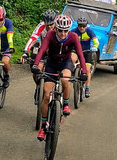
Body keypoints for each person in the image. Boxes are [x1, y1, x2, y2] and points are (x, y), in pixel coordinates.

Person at [31, 13, 85, 141]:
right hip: (51, 63)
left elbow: (80, 55)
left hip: (65, 63)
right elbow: (42, 50)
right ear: (55, 28)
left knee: (65, 80)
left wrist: (84, 72)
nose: (63, 33)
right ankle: (43, 127)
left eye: (66, 30)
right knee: (46, 95)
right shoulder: (50, 35)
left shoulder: (73, 36)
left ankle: (66, 103)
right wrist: (35, 64)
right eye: (60, 30)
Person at [74, 15, 99, 98]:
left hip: (86, 52)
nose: (82, 28)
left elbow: (96, 42)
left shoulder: (89, 31)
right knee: (73, 60)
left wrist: (94, 47)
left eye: (83, 26)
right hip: (76, 52)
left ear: (86, 26)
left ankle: (87, 88)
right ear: (77, 26)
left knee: (87, 69)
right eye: (80, 26)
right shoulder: (74, 31)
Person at [0, 5, 14, 88]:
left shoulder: (8, 23)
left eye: (1, 20)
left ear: (4, 18)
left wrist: (11, 47)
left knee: (4, 62)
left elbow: (10, 36)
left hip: (6, 47)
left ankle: (6, 76)